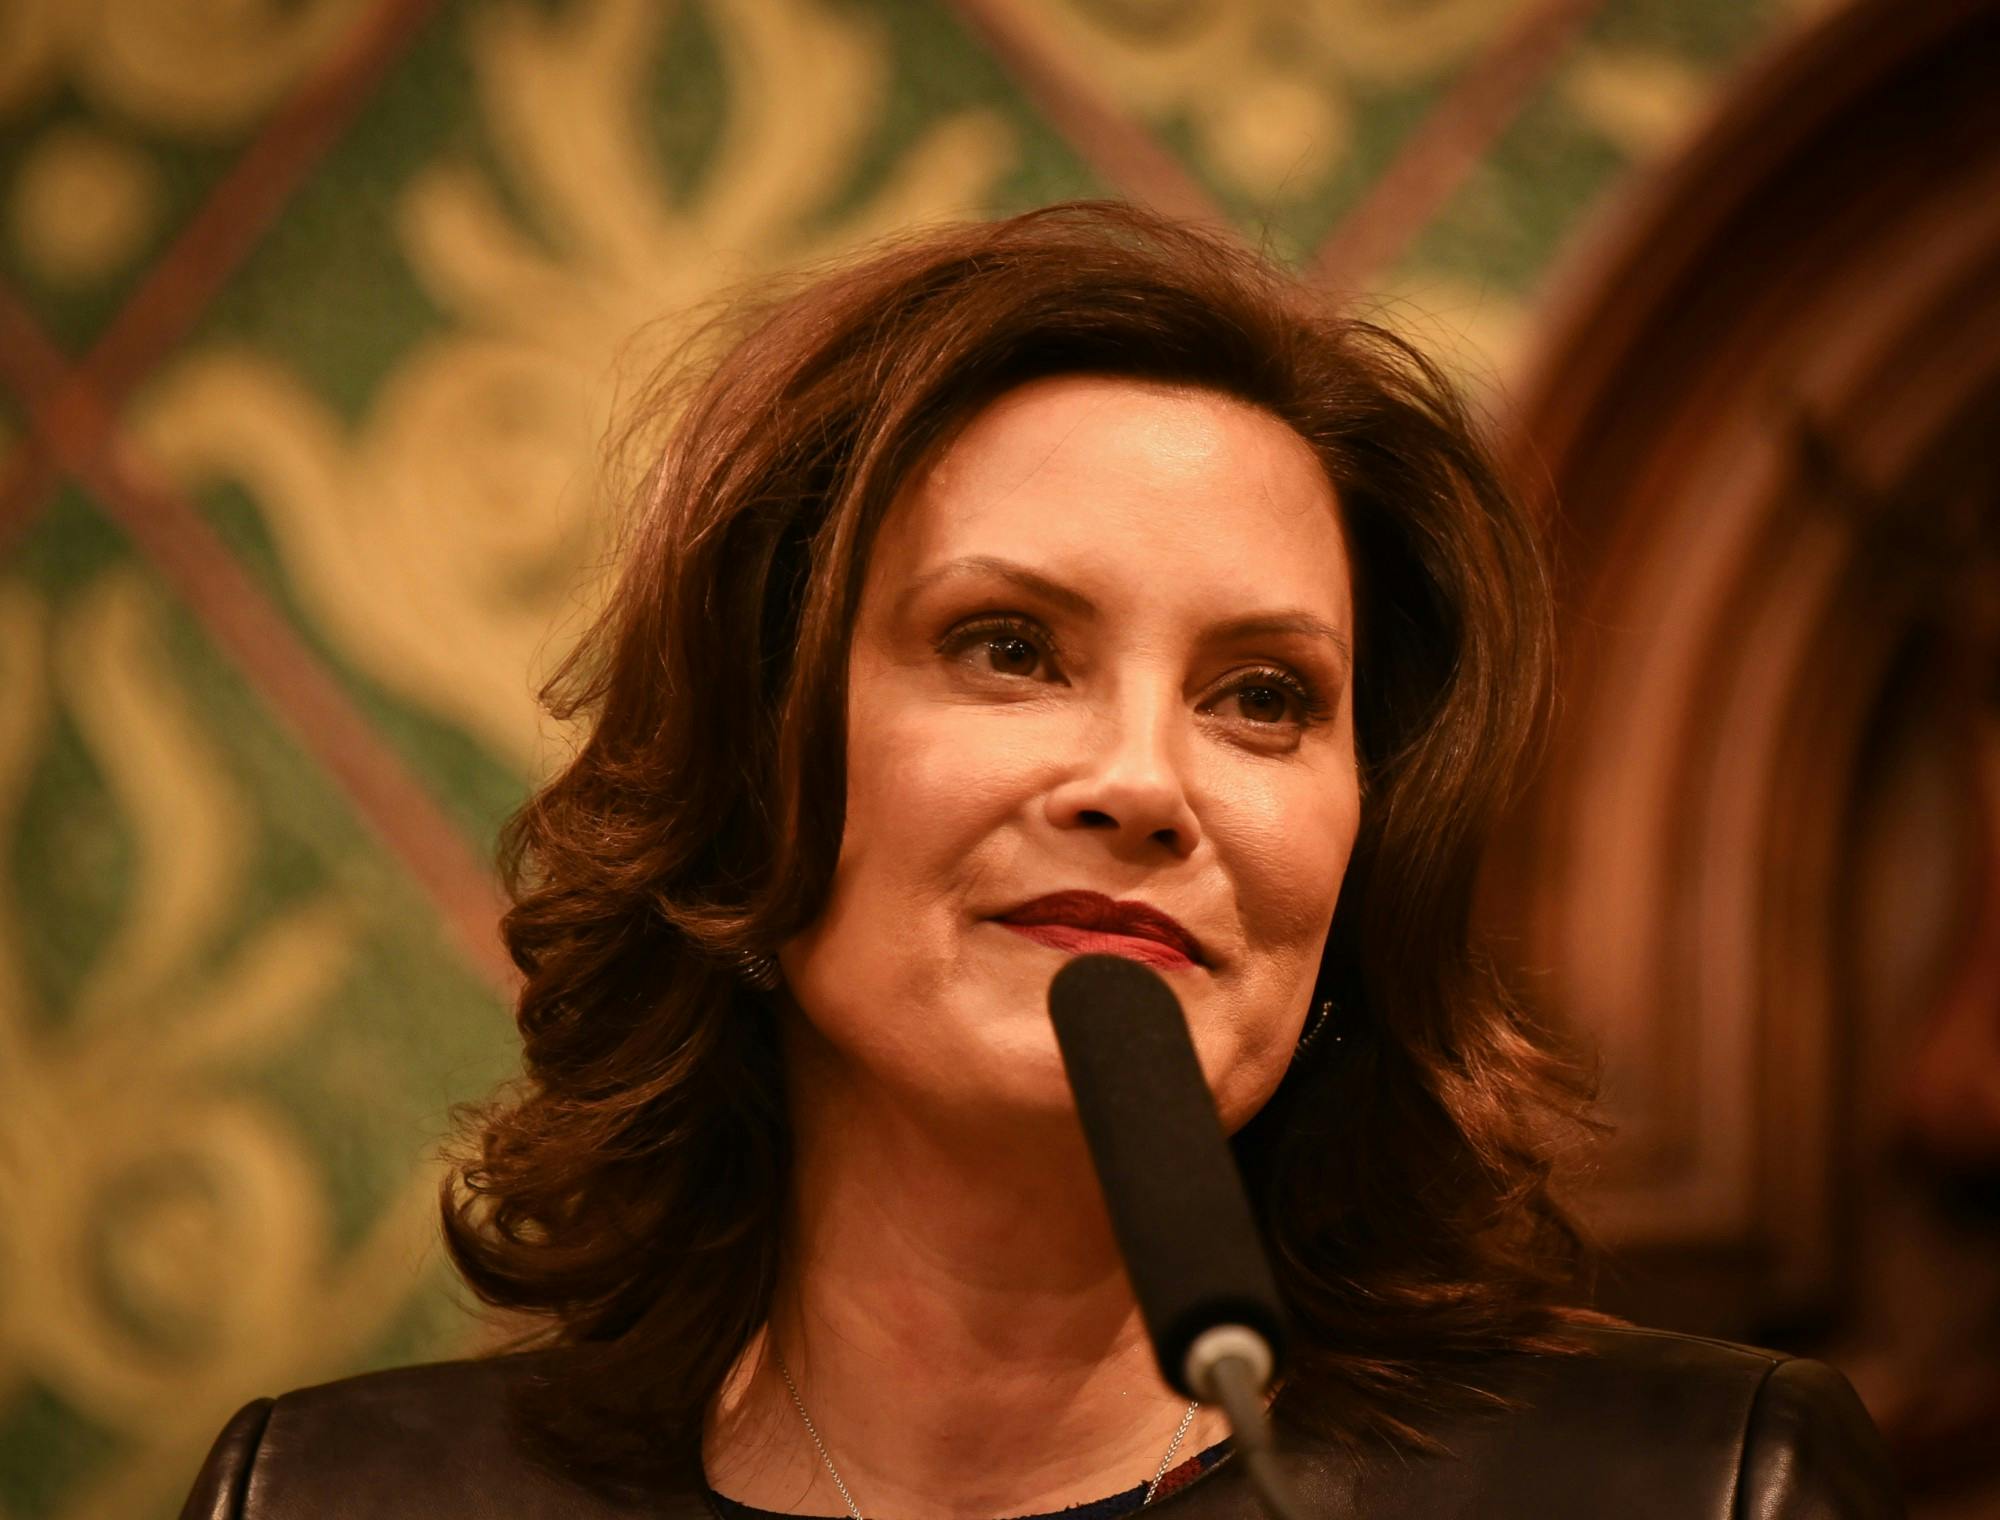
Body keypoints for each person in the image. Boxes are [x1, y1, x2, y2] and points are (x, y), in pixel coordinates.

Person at [177, 202, 1901, 1519]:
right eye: (1010, 647)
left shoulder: (1699, 1488)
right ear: (758, 771)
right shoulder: (328, 1499)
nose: (1145, 782)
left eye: (1263, 697)